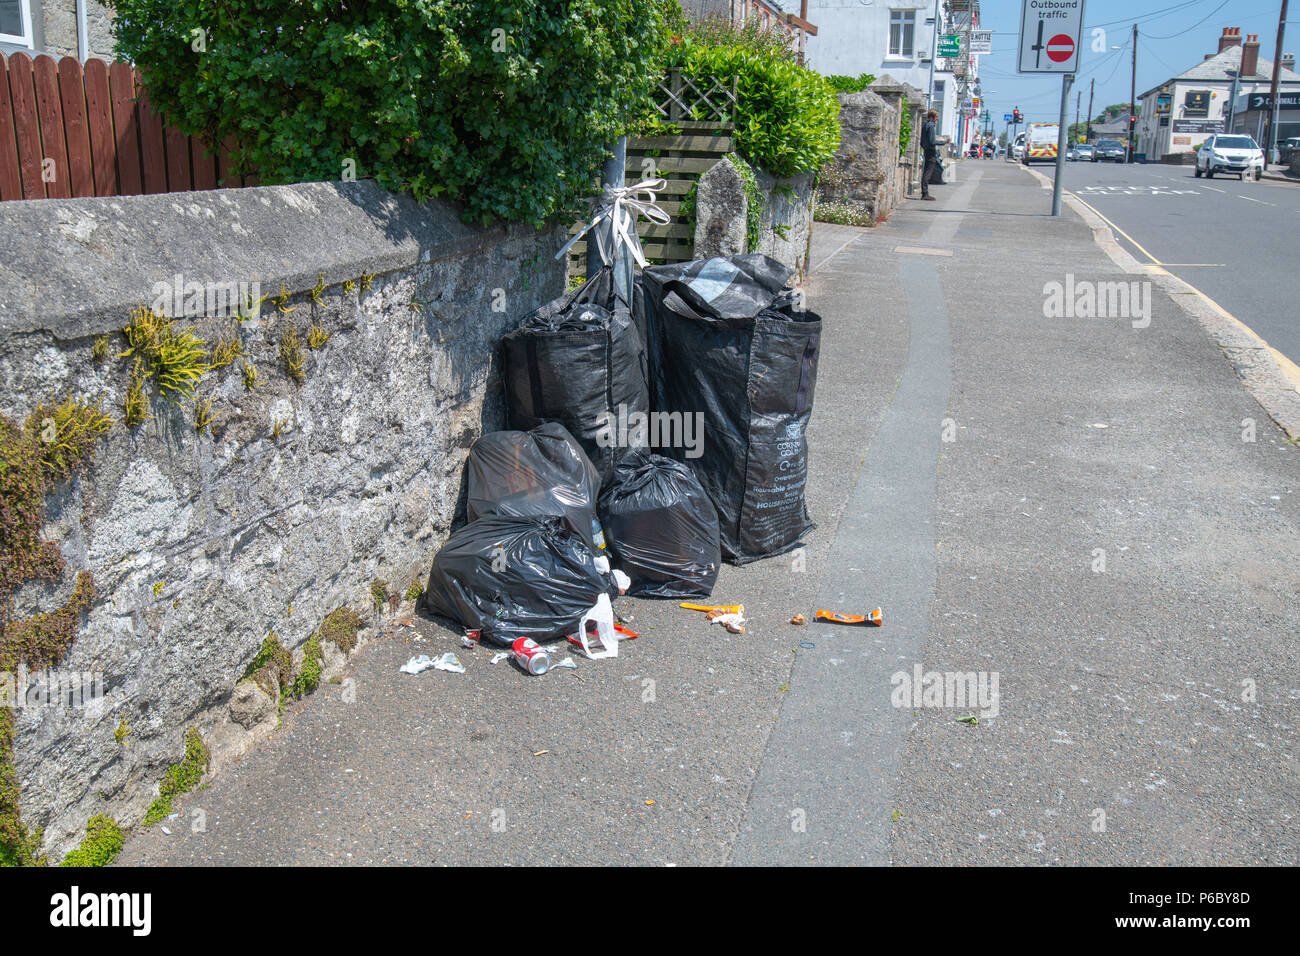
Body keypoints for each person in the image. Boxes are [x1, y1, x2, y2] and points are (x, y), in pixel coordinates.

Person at [920, 109, 941, 200]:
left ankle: (924, 192)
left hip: (926, 150)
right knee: (928, 172)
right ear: (932, 117)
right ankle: (925, 193)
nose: (937, 119)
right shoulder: (931, 126)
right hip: (931, 151)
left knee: (926, 171)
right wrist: (943, 142)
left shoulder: (924, 125)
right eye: (936, 117)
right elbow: (932, 141)